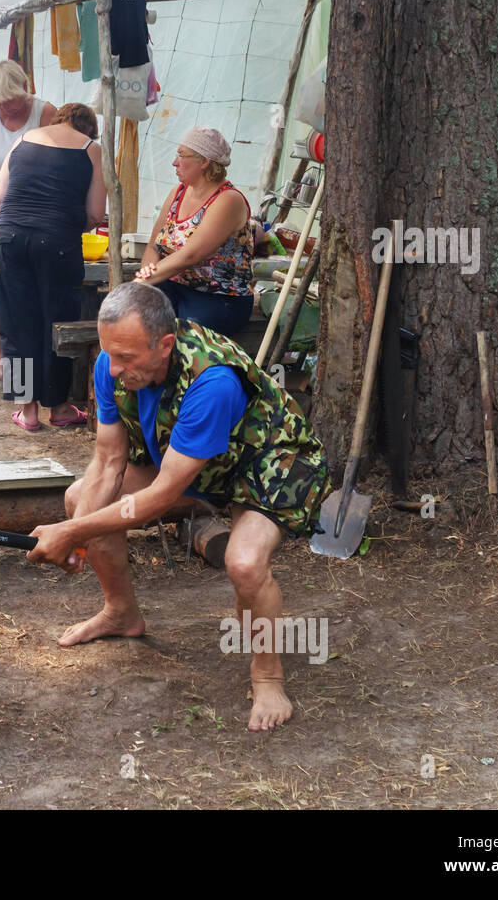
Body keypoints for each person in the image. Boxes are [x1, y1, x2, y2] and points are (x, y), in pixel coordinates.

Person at [26, 282, 331, 731]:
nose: (114, 369)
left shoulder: (213, 381)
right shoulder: (111, 364)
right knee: (80, 499)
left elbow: (163, 495)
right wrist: (82, 530)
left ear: (165, 344)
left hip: (266, 463)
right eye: (109, 354)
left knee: (244, 564)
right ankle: (121, 613)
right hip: (199, 463)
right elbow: (109, 462)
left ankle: (267, 676)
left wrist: (72, 534)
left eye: (127, 358)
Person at [0, 102, 105, 431]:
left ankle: (27, 412)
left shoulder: (23, 140)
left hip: (8, 238)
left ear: (58, 120)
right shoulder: (90, 148)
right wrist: (63, 223)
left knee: (17, 322)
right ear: (89, 129)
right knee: (59, 322)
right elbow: (96, 213)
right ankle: (59, 408)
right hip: (56, 243)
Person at [0, 61, 57, 384]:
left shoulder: (45, 113)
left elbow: (58, 163)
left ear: (24, 88)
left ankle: (38, 357)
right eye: (1, 101)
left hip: (36, 210)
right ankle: (0, 357)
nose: (8, 106)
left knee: (34, 282)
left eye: (13, 99)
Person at [134, 127, 257, 336]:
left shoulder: (228, 199)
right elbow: (154, 245)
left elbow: (191, 255)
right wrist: (147, 278)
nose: (175, 162)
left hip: (218, 298)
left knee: (182, 337)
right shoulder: (178, 192)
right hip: (174, 287)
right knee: (137, 321)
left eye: (181, 155)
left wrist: (139, 282)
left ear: (204, 161)